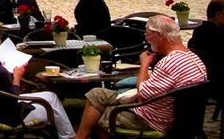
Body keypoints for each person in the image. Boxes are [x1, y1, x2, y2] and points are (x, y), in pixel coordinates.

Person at [72, 15, 207, 139]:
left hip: (153, 119)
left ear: (160, 35)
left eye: (148, 35)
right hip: (176, 114)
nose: (147, 39)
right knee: (97, 94)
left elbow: (143, 93)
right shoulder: (193, 57)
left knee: (100, 115)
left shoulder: (170, 62)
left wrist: (144, 64)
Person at [0, 23, 75, 139]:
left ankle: (68, 136)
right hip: (5, 116)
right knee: (51, 104)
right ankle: (68, 136)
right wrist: (17, 77)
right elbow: (13, 98)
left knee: (51, 96)